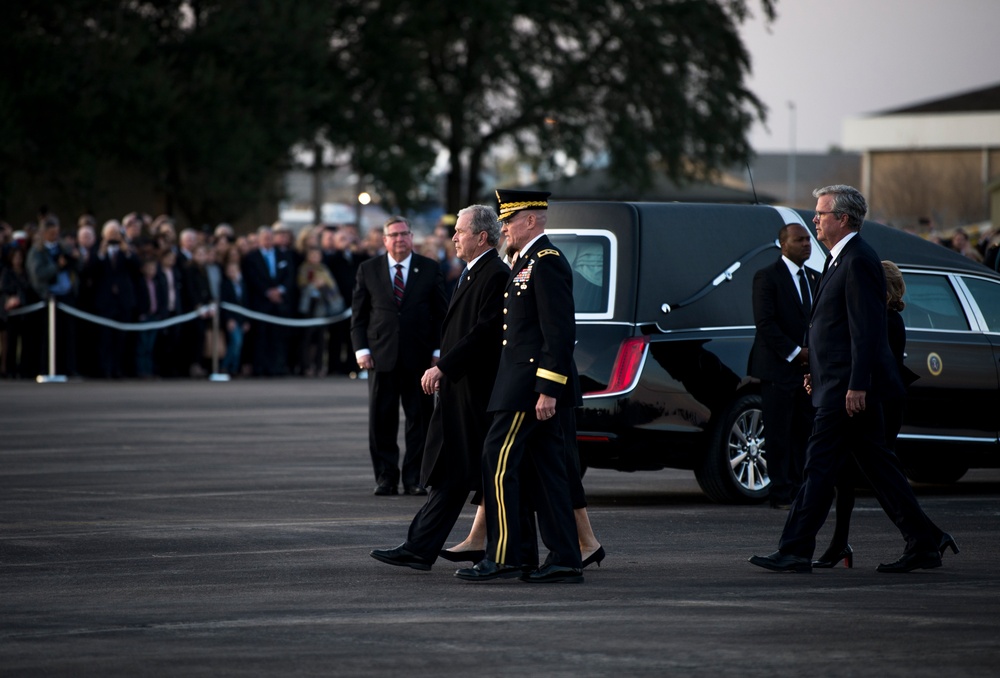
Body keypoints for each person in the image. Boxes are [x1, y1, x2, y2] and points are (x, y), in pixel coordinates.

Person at [749, 185, 952, 574]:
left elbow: (866, 330)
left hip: (847, 391)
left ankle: (794, 549)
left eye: (821, 214)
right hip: (837, 384)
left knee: (818, 467)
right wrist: (813, 372)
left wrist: (857, 384)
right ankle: (925, 542)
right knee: (880, 468)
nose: (815, 220)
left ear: (842, 219)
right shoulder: (838, 260)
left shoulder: (858, 260)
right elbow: (830, 329)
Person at [369, 204, 509, 570]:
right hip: (458, 389)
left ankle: (507, 555)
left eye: (460, 231)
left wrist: (442, 366)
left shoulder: (494, 273)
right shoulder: (471, 271)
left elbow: (484, 333)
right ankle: (419, 547)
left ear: (481, 237)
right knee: (451, 473)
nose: (454, 237)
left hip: (474, 391)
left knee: (486, 476)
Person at [455, 189, 583, 584]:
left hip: (528, 388)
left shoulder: (546, 262)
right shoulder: (525, 260)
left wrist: (548, 388)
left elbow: (558, 332)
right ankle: (559, 557)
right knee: (545, 472)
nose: (504, 228)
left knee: (496, 464)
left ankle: (505, 554)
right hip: (521, 384)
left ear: (531, 220)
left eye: (509, 221)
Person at [812, 260, 958, 568]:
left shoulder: (886, 321)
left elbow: (871, 363)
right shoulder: (883, 319)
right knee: (853, 476)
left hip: (877, 405)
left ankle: (927, 535)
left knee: (879, 478)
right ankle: (844, 544)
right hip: (876, 402)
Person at [351, 216, 447, 496]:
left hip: (420, 359)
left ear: (412, 237)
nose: (399, 239)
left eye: (404, 234)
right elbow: (358, 315)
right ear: (384, 240)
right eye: (393, 235)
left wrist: (439, 351)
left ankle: (415, 477)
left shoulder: (429, 268)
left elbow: (443, 314)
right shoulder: (368, 269)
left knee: (420, 419)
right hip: (380, 357)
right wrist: (361, 349)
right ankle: (386, 477)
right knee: (382, 419)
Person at [748, 223, 819, 509]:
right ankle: (780, 493)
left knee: (804, 431)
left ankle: (801, 491)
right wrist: (796, 353)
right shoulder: (767, 277)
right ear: (783, 244)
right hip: (778, 369)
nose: (806, 244)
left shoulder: (815, 277)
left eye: (808, 239)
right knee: (778, 432)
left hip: (808, 372)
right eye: (799, 240)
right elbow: (765, 323)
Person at [243, 226, 295, 376]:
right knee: (261, 337)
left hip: (280, 304)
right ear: (258, 239)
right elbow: (252, 279)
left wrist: (280, 290)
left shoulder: (283, 255)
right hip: (261, 304)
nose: (268, 240)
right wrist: (267, 292)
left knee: (278, 337)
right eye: (265, 237)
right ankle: (260, 368)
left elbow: (289, 275)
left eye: (270, 237)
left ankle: (277, 367)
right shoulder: (251, 257)